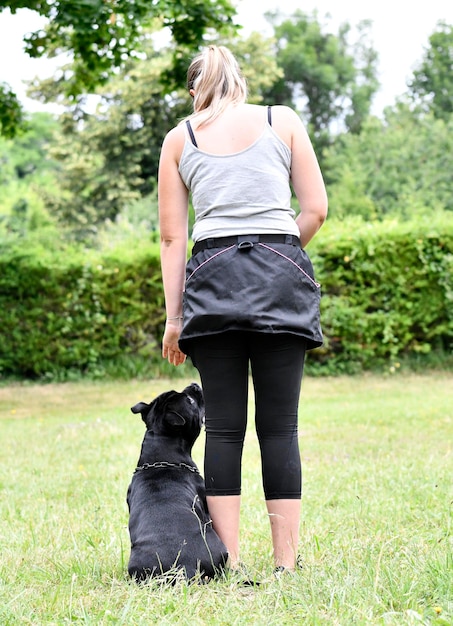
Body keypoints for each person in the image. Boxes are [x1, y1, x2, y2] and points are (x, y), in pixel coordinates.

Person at [158, 45, 327, 575]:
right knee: (281, 429)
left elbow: (170, 236)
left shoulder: (179, 138)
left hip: (211, 280)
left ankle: (226, 563)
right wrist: (278, 253)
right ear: (240, 83)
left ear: (194, 90)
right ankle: (286, 565)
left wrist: (174, 319)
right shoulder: (284, 121)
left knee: (225, 429)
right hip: (281, 275)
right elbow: (316, 210)